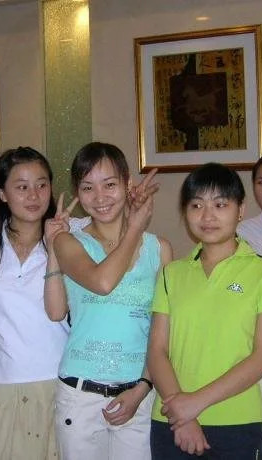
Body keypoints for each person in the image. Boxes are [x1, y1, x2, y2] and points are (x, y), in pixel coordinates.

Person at [147, 162, 262, 459]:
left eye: (220, 205)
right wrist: (183, 415)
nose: (207, 216)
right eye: (196, 205)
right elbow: (156, 351)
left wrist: (194, 404)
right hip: (171, 419)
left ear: (240, 210)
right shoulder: (171, 273)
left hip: (235, 421)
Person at [49, 142, 172, 460]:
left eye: (110, 184)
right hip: (80, 395)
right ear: (77, 192)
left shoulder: (159, 250)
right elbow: (102, 283)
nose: (100, 197)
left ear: (127, 183)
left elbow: (162, 331)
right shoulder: (67, 242)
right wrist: (135, 228)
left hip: (137, 394)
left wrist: (142, 388)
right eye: (87, 187)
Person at [0, 147, 75, 459]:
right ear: (2, 194)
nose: (34, 195)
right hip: (5, 382)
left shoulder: (69, 238)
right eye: (22, 187)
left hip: (61, 381)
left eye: (42, 184)